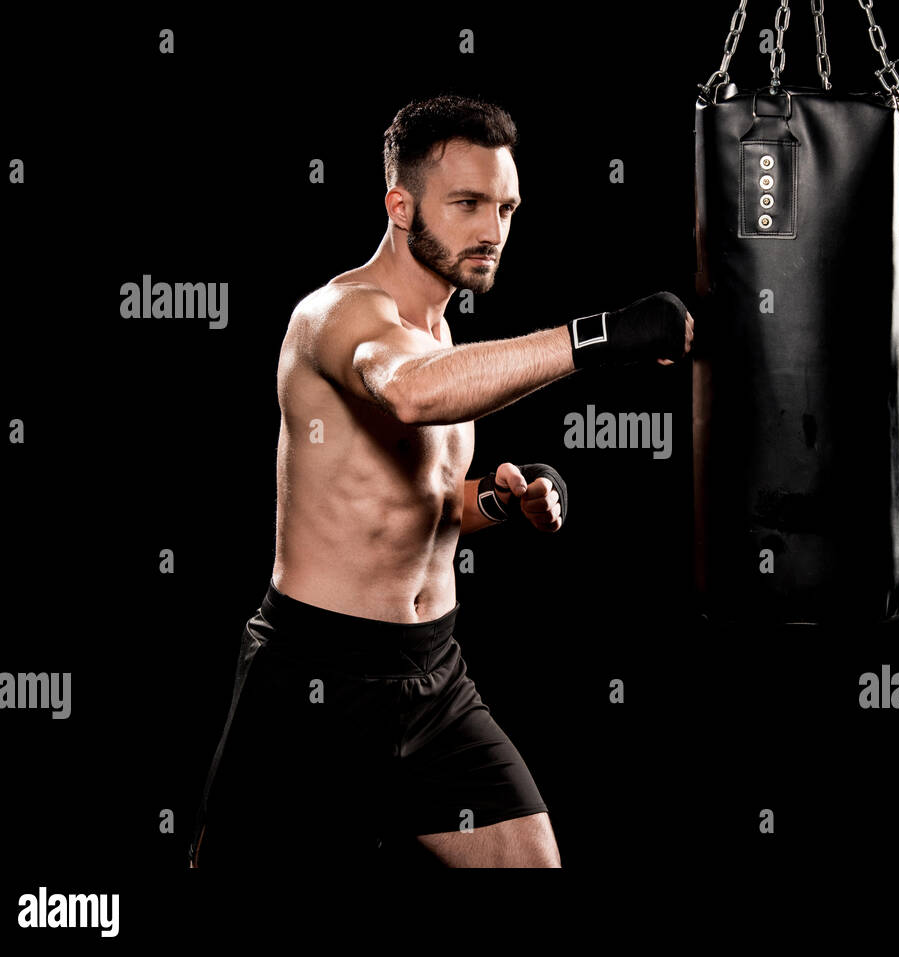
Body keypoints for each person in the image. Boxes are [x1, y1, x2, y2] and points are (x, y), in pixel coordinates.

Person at [188, 93, 693, 869]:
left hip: (432, 675)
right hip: (315, 680)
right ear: (400, 204)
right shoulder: (337, 317)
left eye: (506, 207)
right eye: (467, 204)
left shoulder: (442, 335)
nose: (493, 231)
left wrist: (500, 499)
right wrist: (603, 337)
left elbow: (424, 503)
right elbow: (410, 393)